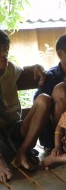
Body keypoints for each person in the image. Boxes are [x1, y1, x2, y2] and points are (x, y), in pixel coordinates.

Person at [0, 30, 52, 182]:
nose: (4, 55)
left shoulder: (9, 69)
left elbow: (25, 70)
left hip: (14, 129)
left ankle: (21, 153)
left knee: (44, 100)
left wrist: (36, 67)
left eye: (5, 50)